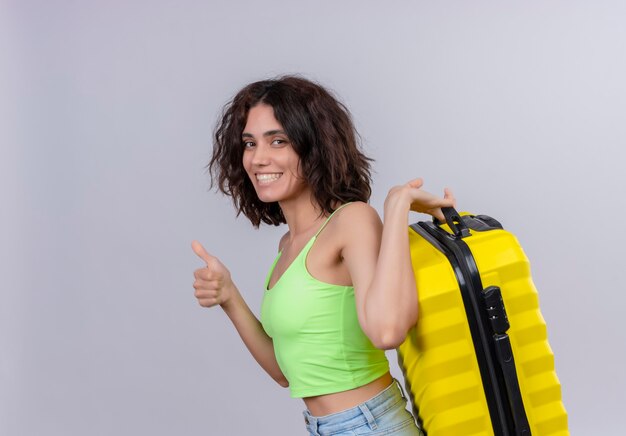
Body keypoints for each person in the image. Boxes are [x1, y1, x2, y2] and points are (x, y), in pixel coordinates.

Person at [192, 76, 455, 435]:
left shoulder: (352, 220)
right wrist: (228, 296)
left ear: (313, 146)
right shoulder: (288, 246)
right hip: (325, 427)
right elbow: (288, 373)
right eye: (249, 143)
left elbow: (388, 330)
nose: (258, 158)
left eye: (278, 141)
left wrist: (397, 206)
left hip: (371, 425)